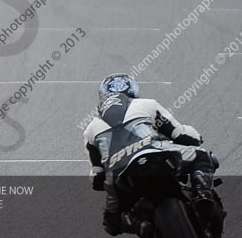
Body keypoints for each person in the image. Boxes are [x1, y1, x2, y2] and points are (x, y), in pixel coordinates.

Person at [84, 74, 224, 236]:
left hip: (120, 176)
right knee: (202, 156)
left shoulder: (90, 128)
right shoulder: (147, 104)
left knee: (111, 223)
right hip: (156, 156)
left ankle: (140, 225)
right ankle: (202, 194)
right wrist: (197, 138)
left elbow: (97, 176)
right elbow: (181, 135)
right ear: (133, 91)